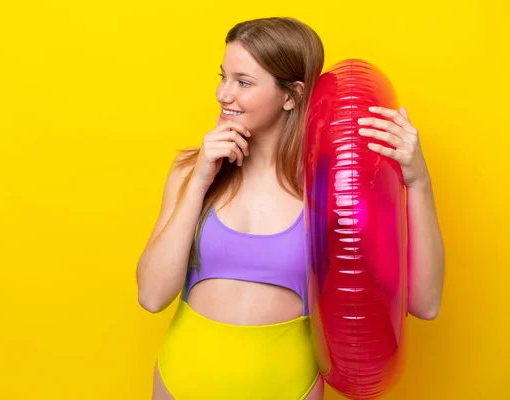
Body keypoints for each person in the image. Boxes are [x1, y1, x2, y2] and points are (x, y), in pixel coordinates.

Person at [136, 16, 445, 400]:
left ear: (292, 95)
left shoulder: (332, 190)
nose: (223, 94)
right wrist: (199, 182)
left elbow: (425, 303)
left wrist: (418, 182)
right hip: (181, 382)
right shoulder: (192, 170)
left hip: (287, 387)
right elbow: (151, 296)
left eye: (243, 82)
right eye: (223, 76)